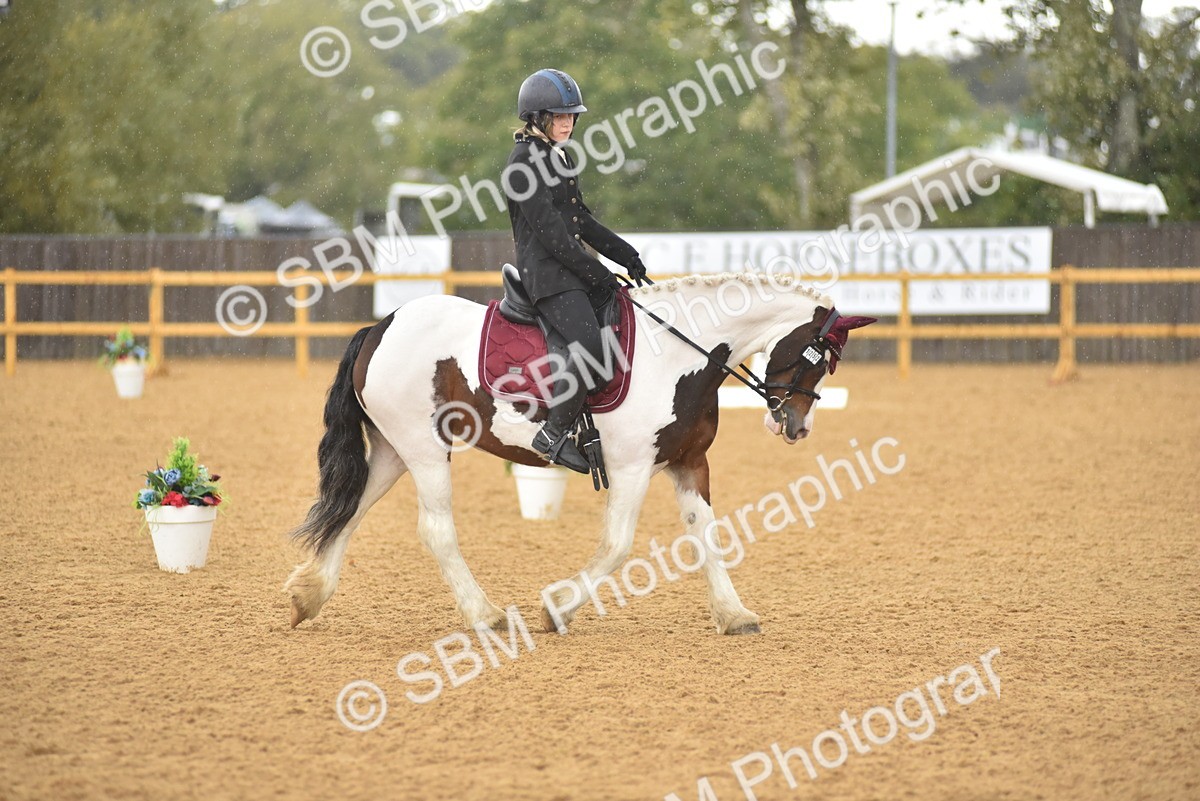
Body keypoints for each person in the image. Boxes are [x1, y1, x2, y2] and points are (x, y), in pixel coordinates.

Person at [504, 68, 648, 474]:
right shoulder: (521, 164)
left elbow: (580, 221)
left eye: (571, 116)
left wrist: (626, 255)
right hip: (547, 277)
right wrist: (596, 272)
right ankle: (553, 433)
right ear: (537, 118)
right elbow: (552, 233)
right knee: (592, 348)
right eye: (559, 116)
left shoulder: (561, 157)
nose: (567, 123)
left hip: (570, 270)